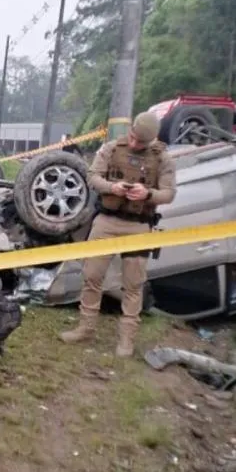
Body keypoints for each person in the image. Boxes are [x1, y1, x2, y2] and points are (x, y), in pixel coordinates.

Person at [60, 111, 176, 357]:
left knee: (133, 284)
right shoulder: (112, 148)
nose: (134, 144)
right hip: (106, 221)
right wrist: (111, 187)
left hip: (139, 225)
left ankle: (126, 340)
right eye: (132, 137)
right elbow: (92, 177)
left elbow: (169, 193)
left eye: (141, 143)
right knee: (91, 276)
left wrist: (147, 194)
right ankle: (86, 328)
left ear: (152, 140)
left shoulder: (163, 159)